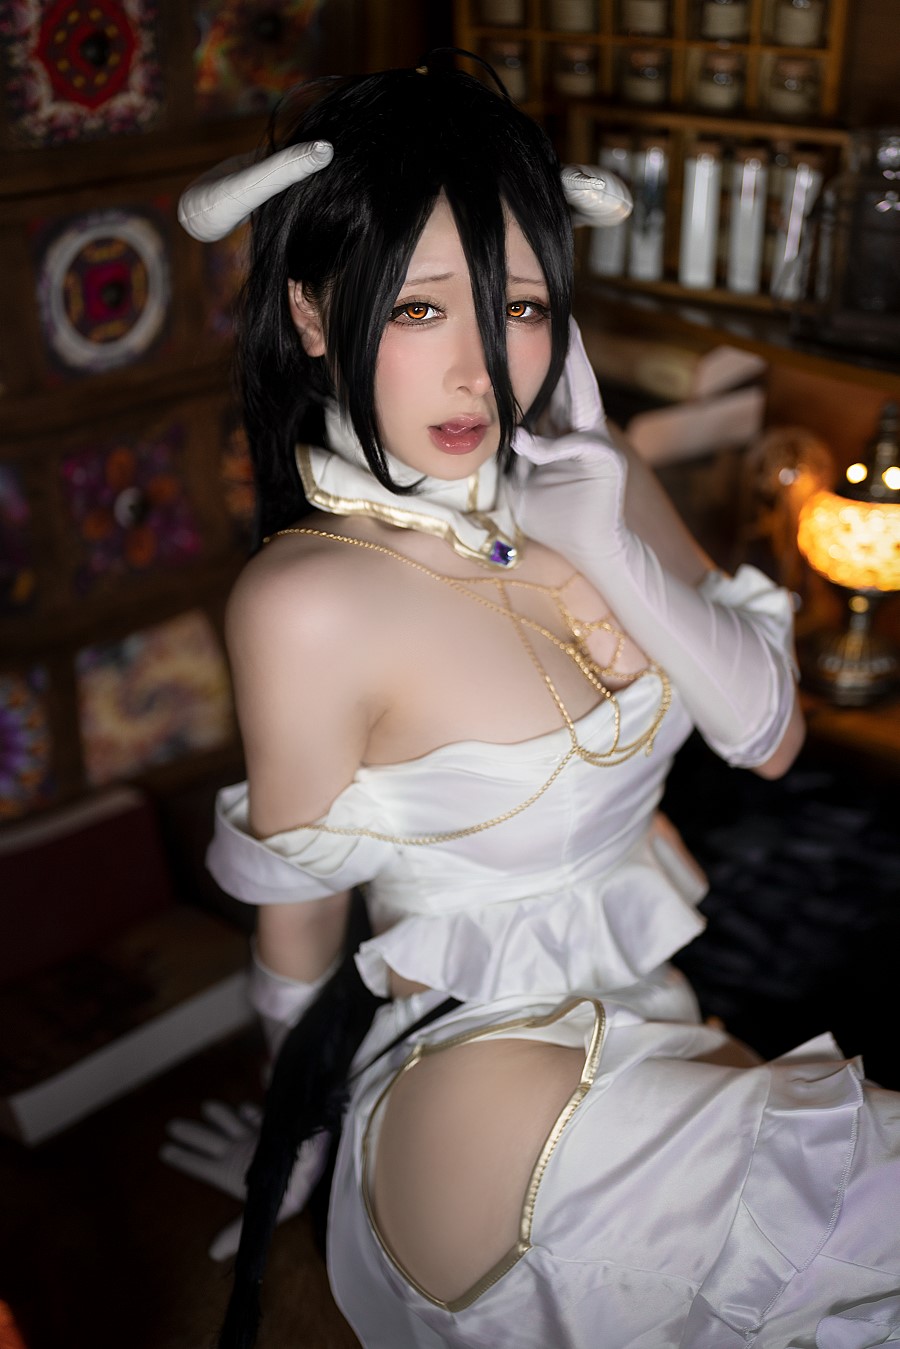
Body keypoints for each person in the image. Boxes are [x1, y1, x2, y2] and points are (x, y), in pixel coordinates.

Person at [165, 54, 900, 1349]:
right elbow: (299, 914)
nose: (479, 370)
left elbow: (769, 735)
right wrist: (299, 1132)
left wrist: (611, 535)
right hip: (475, 1081)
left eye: (516, 306)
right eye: (417, 310)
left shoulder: (583, 481)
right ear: (314, 315)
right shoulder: (309, 601)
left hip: (654, 1022)